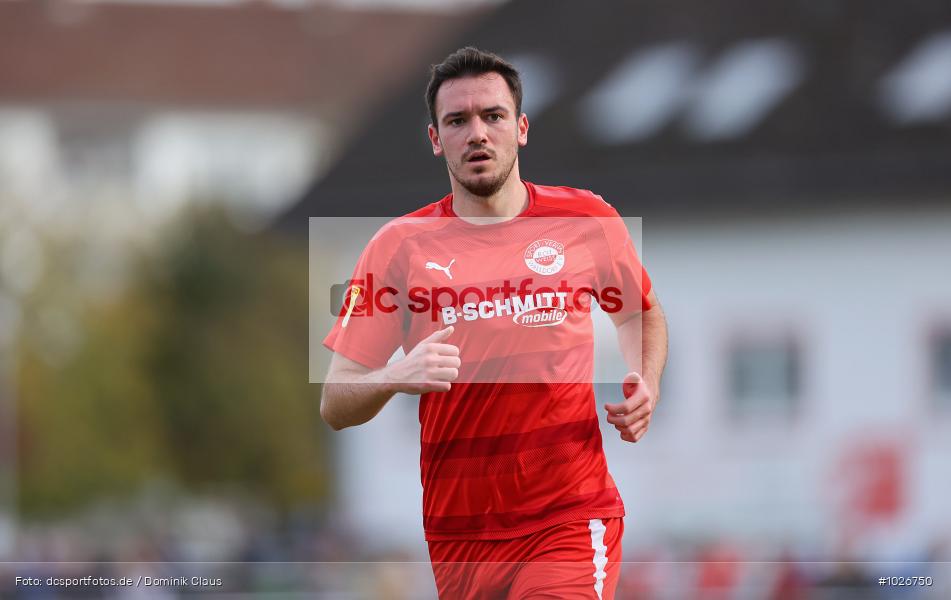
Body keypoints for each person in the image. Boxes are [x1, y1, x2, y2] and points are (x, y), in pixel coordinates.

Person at [321, 47, 668, 599]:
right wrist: (395, 376)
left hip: (568, 515)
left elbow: (640, 313)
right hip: (461, 533)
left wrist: (644, 379)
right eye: (457, 121)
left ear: (521, 128)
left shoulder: (585, 220)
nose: (476, 133)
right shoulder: (396, 248)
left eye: (493, 116)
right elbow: (335, 401)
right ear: (436, 139)